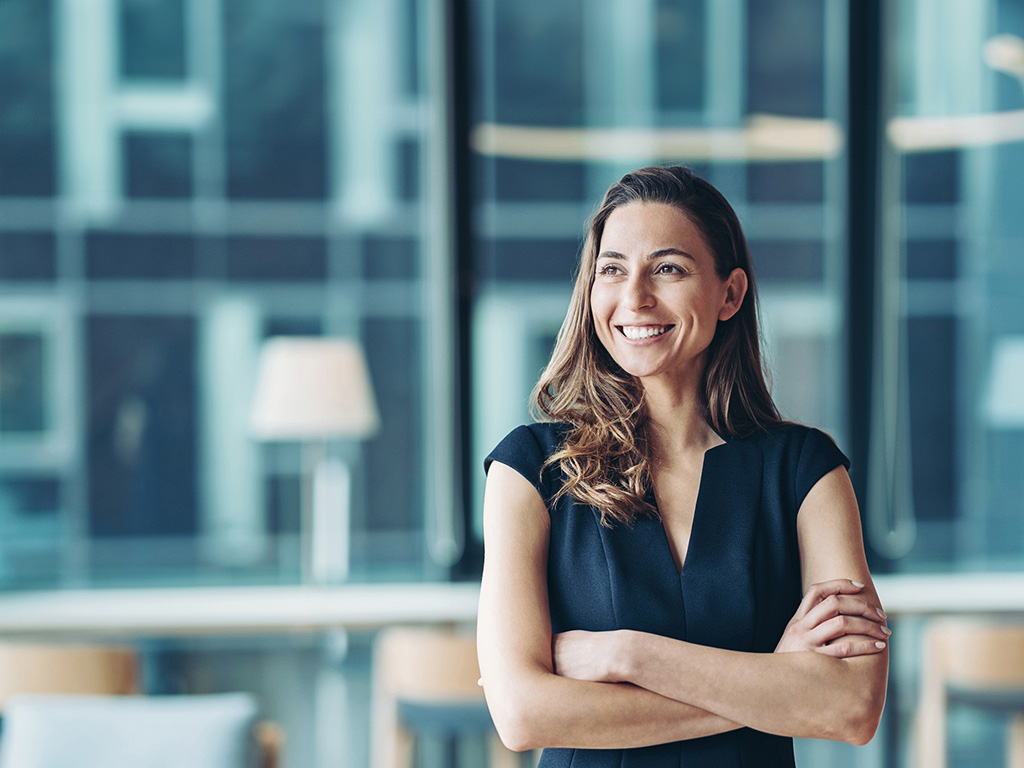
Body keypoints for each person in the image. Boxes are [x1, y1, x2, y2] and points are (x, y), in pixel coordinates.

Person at [477, 165, 888, 767]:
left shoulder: (805, 471)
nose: (635, 296)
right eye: (612, 269)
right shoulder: (530, 469)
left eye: (668, 268)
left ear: (731, 294)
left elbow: (850, 708)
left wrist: (627, 656)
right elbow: (522, 714)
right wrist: (777, 684)